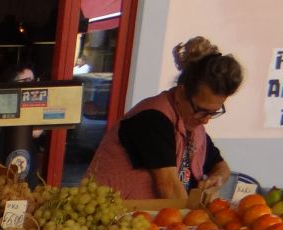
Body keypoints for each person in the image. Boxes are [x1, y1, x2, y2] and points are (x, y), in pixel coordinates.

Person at [87, 37, 243, 202]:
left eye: (213, 112)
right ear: (181, 93)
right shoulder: (152, 119)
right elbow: (168, 187)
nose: (205, 121)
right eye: (201, 111)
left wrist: (216, 178)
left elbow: (221, 167)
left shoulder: (193, 128)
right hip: (116, 216)